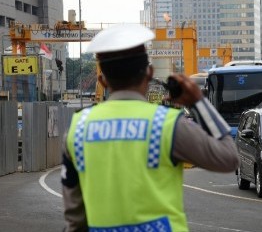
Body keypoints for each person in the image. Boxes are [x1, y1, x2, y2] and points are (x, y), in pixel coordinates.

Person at [61, 23, 239, 232]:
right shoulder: (168, 125)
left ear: (102, 80)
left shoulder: (78, 129)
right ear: (149, 72)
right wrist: (199, 102)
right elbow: (229, 158)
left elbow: (75, 217)